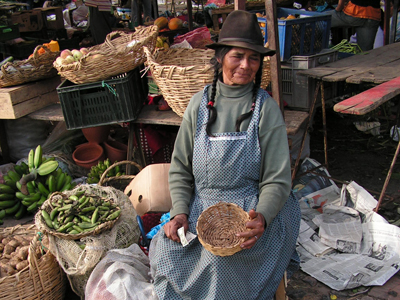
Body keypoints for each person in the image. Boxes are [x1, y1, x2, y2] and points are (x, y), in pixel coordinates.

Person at [149, 10, 301, 300]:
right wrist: (180, 212)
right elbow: (180, 168)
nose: (245, 65)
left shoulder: (264, 109)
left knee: (223, 263)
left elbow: (277, 179)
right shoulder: (199, 104)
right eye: (237, 56)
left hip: (250, 213)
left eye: (253, 58)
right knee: (167, 253)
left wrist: (263, 218)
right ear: (220, 57)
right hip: (202, 209)